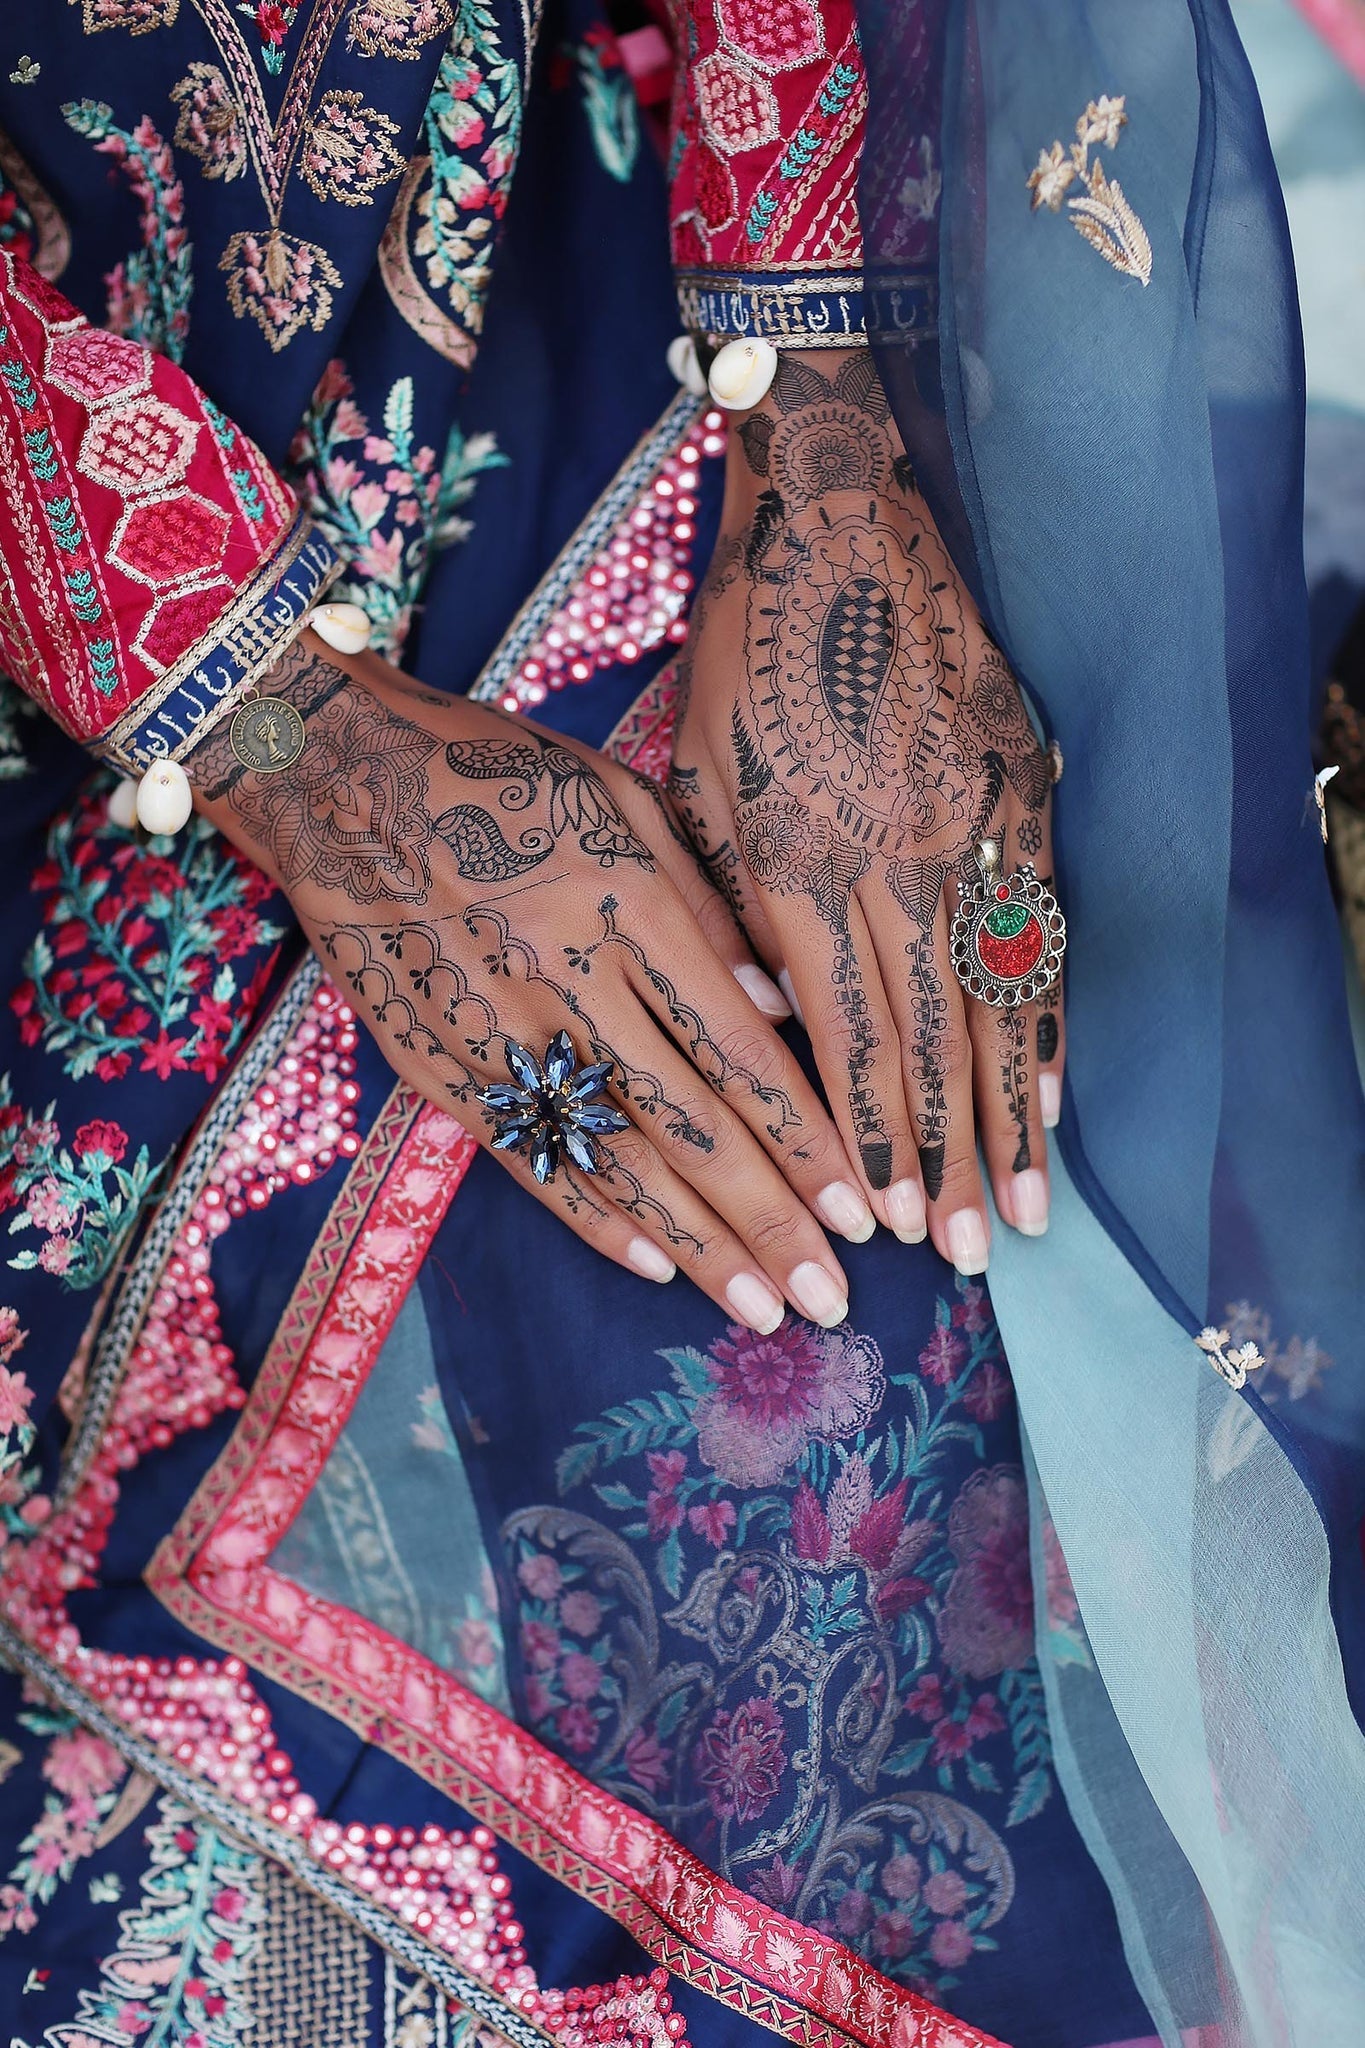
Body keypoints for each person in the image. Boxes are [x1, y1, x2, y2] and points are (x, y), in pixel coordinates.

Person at [0, 5, 1361, 2047]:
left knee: (963, 1303)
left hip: (620, 252)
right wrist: (272, 719)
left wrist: (818, 418)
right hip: (84, 493)